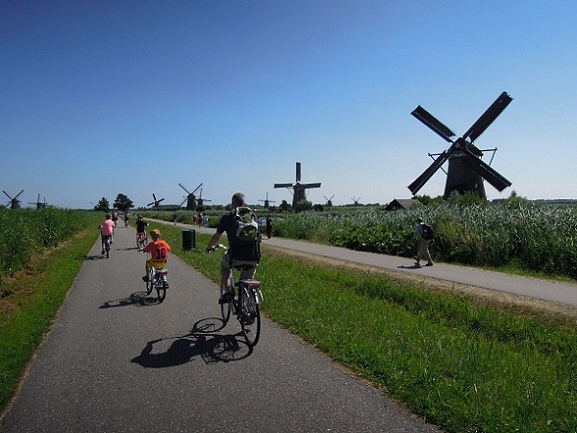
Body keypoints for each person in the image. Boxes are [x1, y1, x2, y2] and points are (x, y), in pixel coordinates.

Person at [206, 192, 261, 304]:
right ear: (244, 203)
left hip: (235, 256)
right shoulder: (253, 216)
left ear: (232, 204)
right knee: (248, 279)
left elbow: (217, 236)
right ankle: (247, 307)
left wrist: (209, 247)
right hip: (254, 257)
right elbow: (259, 237)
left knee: (225, 267)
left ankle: (228, 292)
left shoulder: (228, 216)